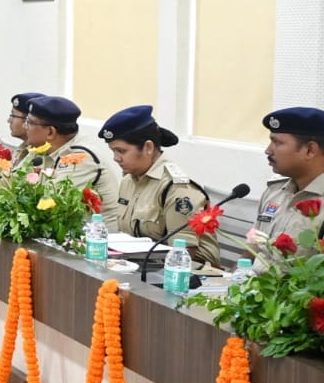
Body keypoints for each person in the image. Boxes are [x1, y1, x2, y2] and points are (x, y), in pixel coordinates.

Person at [99, 106, 219, 265]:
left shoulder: (177, 189)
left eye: (121, 151)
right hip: (139, 267)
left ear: (148, 147)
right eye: (113, 151)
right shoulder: (129, 180)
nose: (116, 158)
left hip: (186, 272)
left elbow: (184, 253)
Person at [22, 96, 124, 226]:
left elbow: (46, 204)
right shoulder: (41, 150)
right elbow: (9, 184)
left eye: (29, 122)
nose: (25, 126)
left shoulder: (81, 157)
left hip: (99, 236)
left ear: (50, 132)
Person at [254, 107, 324, 266]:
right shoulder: (275, 192)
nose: (268, 150)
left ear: (310, 150)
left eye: (277, 143)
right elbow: (252, 249)